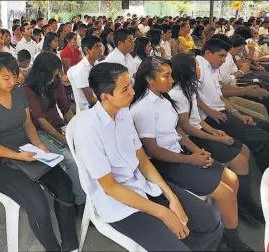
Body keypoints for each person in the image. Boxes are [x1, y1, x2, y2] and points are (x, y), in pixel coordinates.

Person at [72, 62, 223, 251]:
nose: (133, 93)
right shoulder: (88, 130)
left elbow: (142, 160)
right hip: (119, 203)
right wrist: (163, 213)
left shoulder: (123, 114)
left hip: (142, 185)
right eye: (125, 89)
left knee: (212, 221)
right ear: (105, 96)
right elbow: (110, 187)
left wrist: (171, 198)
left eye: (131, 85)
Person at [130, 56, 253, 251]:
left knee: (232, 179)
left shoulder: (164, 98)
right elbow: (153, 151)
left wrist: (197, 151)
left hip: (181, 153)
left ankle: (229, 231)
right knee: (225, 194)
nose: (172, 80)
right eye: (166, 76)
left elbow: (177, 131)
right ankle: (230, 241)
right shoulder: (142, 109)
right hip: (166, 164)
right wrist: (190, 159)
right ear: (149, 80)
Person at [0, 52, 78, 252]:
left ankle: (71, 246)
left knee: (64, 186)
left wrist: (38, 144)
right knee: (38, 205)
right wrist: (17, 156)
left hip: (26, 151)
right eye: (6, 78)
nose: (12, 81)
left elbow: (28, 122)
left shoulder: (19, 93)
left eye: (14, 75)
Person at [170, 53, 264, 224]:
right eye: (196, 66)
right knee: (240, 161)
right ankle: (245, 204)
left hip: (201, 130)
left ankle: (244, 199)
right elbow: (187, 127)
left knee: (244, 150)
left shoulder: (190, 86)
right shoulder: (177, 94)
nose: (200, 68)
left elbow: (197, 118)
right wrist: (215, 137)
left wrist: (214, 131)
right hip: (193, 138)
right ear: (189, 69)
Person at [23, 52, 85, 211]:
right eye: (52, 75)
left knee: (86, 149)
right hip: (40, 134)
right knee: (71, 160)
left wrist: (77, 129)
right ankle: (80, 202)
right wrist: (64, 140)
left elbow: (65, 109)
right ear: (41, 73)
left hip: (58, 127)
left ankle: (91, 192)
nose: (55, 77)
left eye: (57, 73)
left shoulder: (55, 81)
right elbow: (41, 122)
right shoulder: (28, 90)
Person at [196, 38, 269, 173]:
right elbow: (192, 96)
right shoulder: (198, 66)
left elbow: (220, 96)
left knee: (264, 126)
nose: (223, 60)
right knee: (262, 138)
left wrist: (238, 114)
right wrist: (210, 111)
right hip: (212, 117)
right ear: (207, 53)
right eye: (221, 56)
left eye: (225, 56)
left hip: (223, 110)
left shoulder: (213, 68)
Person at [67, 36, 103, 112]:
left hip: (100, 103)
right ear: (87, 50)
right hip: (88, 110)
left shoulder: (97, 64)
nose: (100, 50)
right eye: (97, 47)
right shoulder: (80, 70)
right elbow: (91, 99)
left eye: (100, 46)